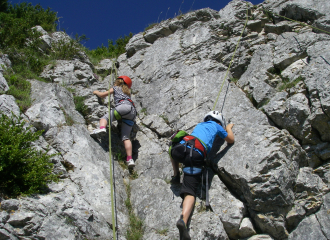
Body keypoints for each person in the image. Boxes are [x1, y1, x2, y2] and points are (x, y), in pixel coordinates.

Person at [169, 111, 235, 240]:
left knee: (172, 148)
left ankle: (176, 174)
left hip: (180, 148)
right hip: (196, 154)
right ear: (220, 122)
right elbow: (230, 140)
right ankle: (183, 220)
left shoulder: (200, 124)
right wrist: (228, 128)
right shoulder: (217, 126)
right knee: (190, 191)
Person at [91, 75, 137, 168]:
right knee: (126, 137)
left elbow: (103, 95)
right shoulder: (128, 93)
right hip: (132, 112)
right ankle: (130, 159)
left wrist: (96, 92)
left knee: (104, 118)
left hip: (123, 107)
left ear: (118, 81)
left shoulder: (116, 88)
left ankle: (102, 128)